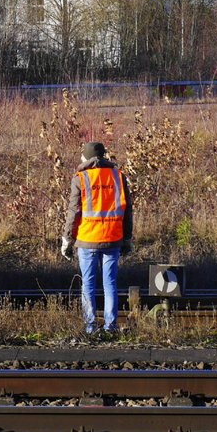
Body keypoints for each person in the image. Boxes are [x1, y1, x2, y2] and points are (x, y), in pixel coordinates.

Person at [61, 141, 133, 335]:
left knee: (88, 283)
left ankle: (90, 327)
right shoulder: (119, 177)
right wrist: (127, 238)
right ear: (104, 156)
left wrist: (67, 238)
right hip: (113, 238)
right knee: (110, 283)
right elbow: (128, 211)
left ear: (85, 158)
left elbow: (73, 212)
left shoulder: (80, 179)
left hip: (87, 239)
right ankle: (111, 327)